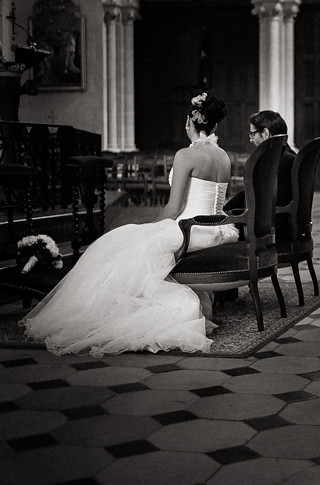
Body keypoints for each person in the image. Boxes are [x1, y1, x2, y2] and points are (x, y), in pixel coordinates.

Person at [20, 93, 238, 357]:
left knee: (119, 243)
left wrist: (151, 227)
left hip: (189, 229)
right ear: (214, 125)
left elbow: (175, 207)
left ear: (190, 122)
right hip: (218, 229)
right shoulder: (223, 156)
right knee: (130, 243)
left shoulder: (186, 155)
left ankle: (103, 310)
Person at [224, 110, 295, 242]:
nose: (251, 139)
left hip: (272, 226)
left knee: (226, 226)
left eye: (252, 134)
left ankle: (244, 260)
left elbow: (253, 195)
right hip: (288, 221)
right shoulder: (289, 156)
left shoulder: (272, 161)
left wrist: (225, 210)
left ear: (265, 133)